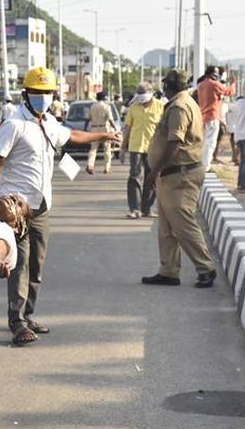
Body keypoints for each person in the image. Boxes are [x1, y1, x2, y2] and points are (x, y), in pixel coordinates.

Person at [0, 67, 121, 347]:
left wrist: (103, 137)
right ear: (26, 94)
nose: (43, 98)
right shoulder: (14, 124)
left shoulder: (48, 122)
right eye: (38, 93)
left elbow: (72, 135)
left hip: (42, 205)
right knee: (20, 263)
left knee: (37, 264)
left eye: (47, 93)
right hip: (17, 207)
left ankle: (29, 314)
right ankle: (17, 321)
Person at [142, 69, 216, 289]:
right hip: (172, 174)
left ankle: (205, 267)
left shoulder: (179, 107)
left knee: (183, 224)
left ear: (168, 85)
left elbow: (175, 142)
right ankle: (168, 271)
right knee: (166, 227)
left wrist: (154, 171)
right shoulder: (183, 102)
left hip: (180, 173)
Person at [123, 83, 164, 218]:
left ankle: (147, 208)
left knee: (151, 178)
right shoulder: (133, 108)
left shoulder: (160, 107)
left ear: (152, 93)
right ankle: (134, 208)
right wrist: (123, 147)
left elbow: (164, 129)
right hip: (136, 147)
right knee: (134, 176)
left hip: (153, 148)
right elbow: (128, 128)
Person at [197, 65, 237, 171]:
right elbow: (229, 92)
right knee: (211, 142)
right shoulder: (214, 84)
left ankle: (202, 163)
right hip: (213, 115)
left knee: (205, 141)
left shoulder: (201, 85)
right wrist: (233, 83)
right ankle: (206, 165)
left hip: (204, 115)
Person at [84, 91, 118, 174]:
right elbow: (110, 119)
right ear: (104, 98)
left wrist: (85, 129)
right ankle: (107, 168)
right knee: (107, 149)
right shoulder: (107, 106)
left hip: (94, 129)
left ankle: (90, 165)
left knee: (93, 149)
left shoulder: (92, 107)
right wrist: (115, 128)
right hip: (104, 129)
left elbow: (88, 119)